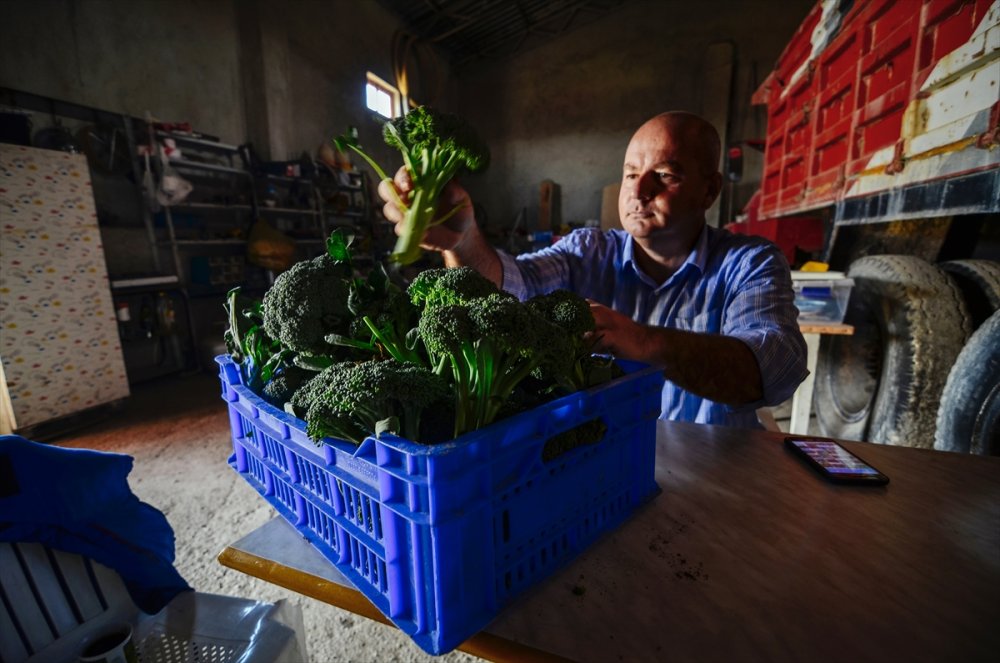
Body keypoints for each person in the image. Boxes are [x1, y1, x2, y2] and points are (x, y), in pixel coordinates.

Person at [378, 111, 808, 429]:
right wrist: (464, 240)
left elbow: (774, 370)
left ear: (710, 189)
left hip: (714, 482)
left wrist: (644, 343)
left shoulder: (750, 262)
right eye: (631, 173)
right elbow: (511, 289)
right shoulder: (588, 250)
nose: (638, 191)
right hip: (602, 469)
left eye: (664, 175)